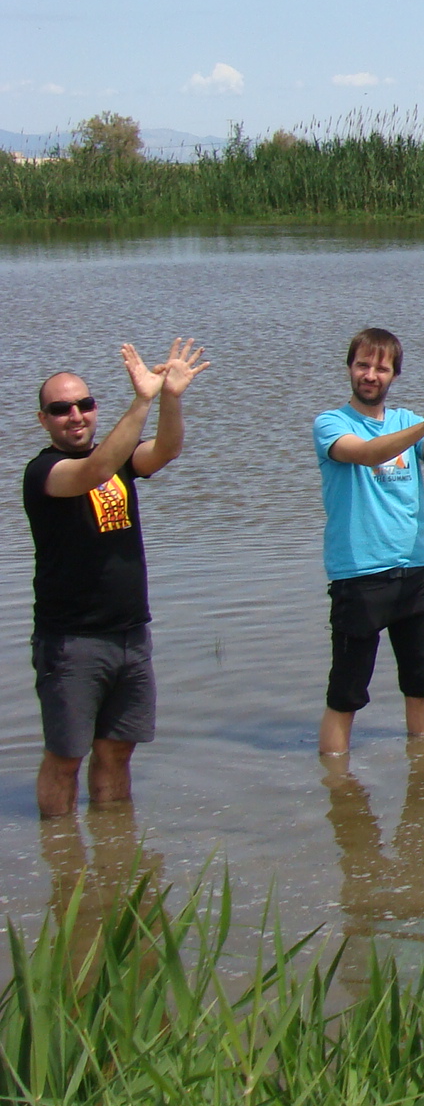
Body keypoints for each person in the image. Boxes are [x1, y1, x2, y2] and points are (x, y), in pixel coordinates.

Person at [22, 340, 207, 818]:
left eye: (85, 404)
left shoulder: (120, 460)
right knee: (65, 759)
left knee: (117, 752)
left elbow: (167, 449)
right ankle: (62, 863)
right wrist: (142, 398)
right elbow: (94, 469)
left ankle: (113, 854)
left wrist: (169, 396)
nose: (76, 416)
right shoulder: (45, 471)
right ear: (44, 420)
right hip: (72, 640)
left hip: (129, 634)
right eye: (61, 409)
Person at [315, 327, 424, 757]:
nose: (371, 375)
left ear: (394, 375)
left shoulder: (408, 422)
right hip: (358, 577)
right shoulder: (331, 423)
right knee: (346, 694)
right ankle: (336, 787)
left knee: (421, 686)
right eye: (363, 365)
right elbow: (367, 453)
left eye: (381, 367)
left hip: (413, 574)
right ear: (349, 369)